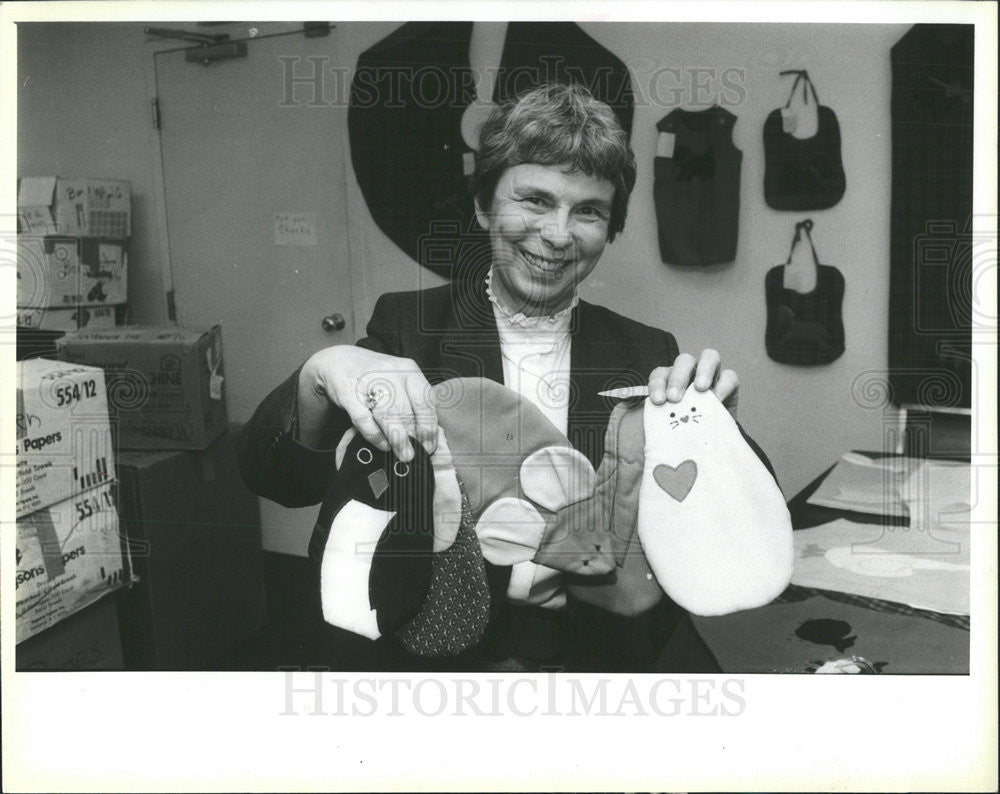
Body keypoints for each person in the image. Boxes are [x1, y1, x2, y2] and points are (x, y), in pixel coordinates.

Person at [239, 82, 754, 673]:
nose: (559, 234)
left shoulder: (645, 351)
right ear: (484, 204)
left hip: (598, 656)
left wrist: (717, 433)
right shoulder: (407, 327)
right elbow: (277, 478)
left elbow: (718, 528)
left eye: (588, 210)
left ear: (610, 229)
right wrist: (320, 373)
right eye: (534, 200)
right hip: (439, 656)